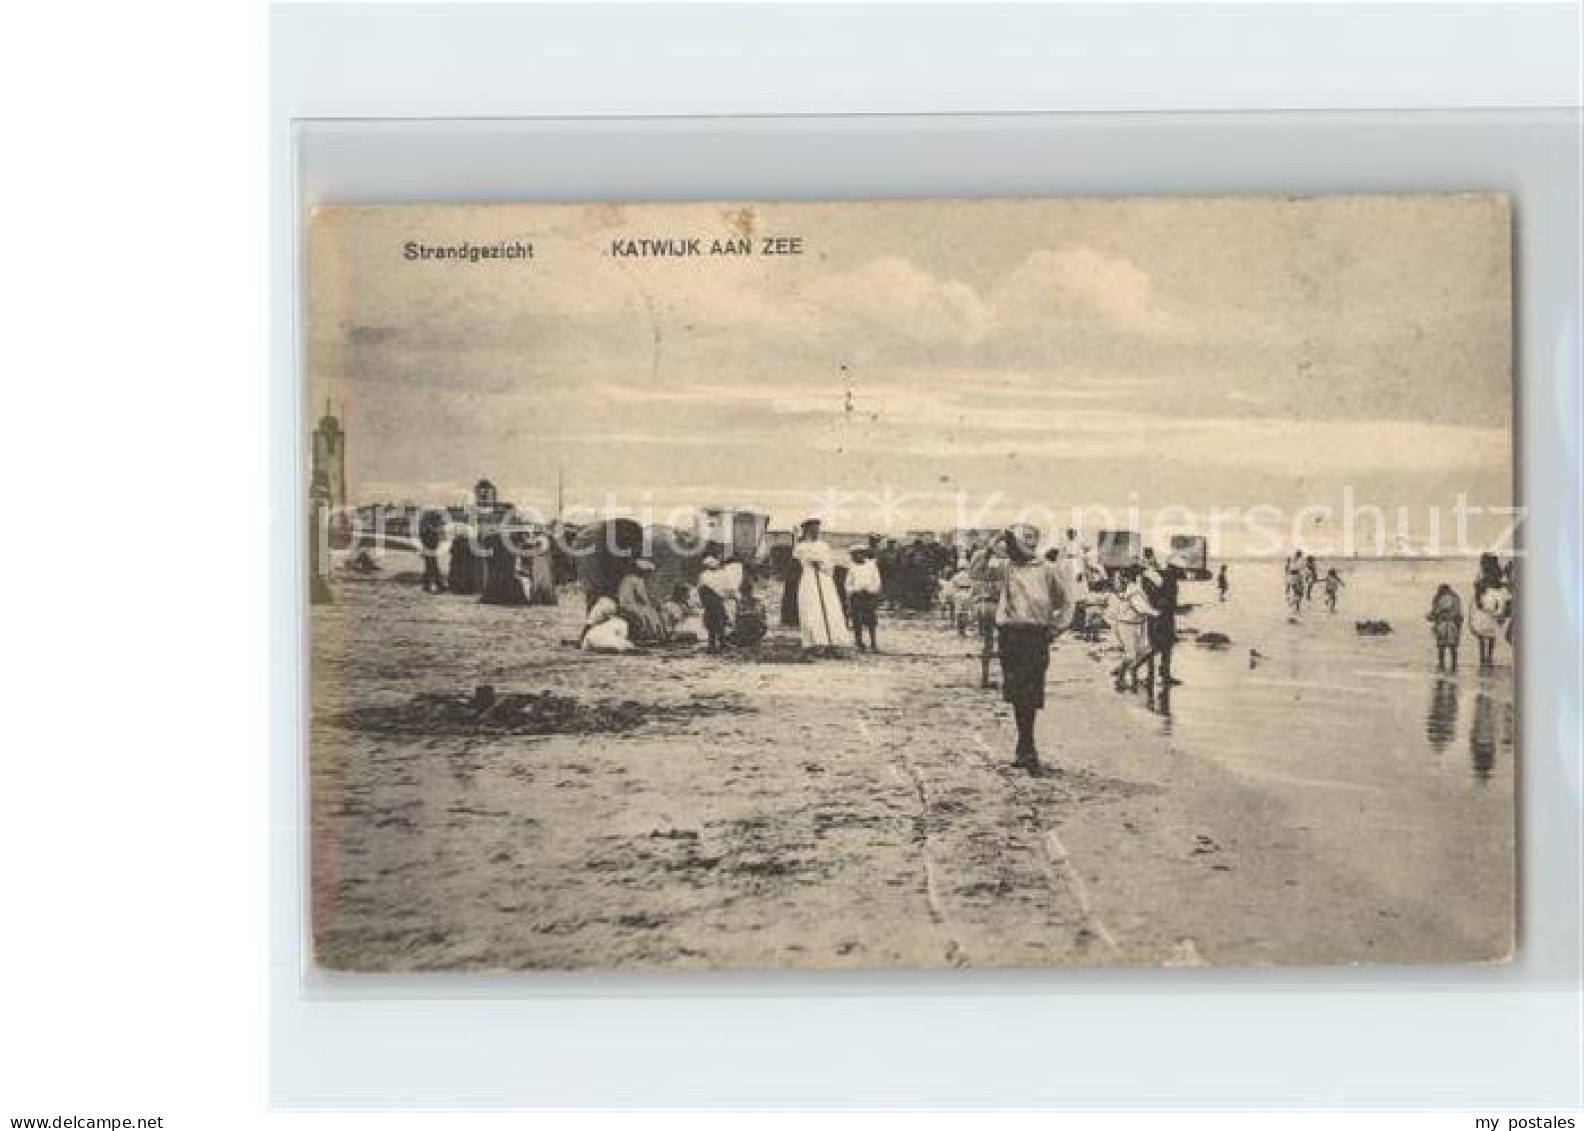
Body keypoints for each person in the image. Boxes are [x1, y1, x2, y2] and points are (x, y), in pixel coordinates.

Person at [993, 525, 1071, 772]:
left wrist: (1056, 629)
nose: (1012, 550)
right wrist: (990, 545)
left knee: (1032, 691)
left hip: (1036, 635)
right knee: (1016, 692)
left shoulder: (1047, 570)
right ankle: (1025, 745)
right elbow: (976, 571)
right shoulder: (1006, 568)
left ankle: (1027, 745)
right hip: (1010, 634)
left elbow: (1066, 602)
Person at [791, 518, 852, 654]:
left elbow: (830, 564)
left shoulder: (824, 546)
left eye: (817, 529)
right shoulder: (800, 547)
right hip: (809, 579)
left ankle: (832, 641)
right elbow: (799, 563)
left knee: (830, 608)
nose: (816, 532)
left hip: (824, 580)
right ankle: (816, 642)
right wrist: (810, 561)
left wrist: (823, 566)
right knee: (812, 609)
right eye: (813, 529)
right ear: (806, 530)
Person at [1107, 565, 1159, 691]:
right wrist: (1156, 613)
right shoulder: (1133, 590)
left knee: (1141, 651)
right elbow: (1141, 607)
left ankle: (1124, 674)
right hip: (1127, 624)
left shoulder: (1131, 588)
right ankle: (1121, 677)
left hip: (1134, 623)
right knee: (1133, 654)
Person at [968, 538, 1007, 689]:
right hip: (997, 606)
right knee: (1004, 643)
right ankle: (1006, 678)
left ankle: (984, 678)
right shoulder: (1003, 568)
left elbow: (973, 572)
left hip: (981, 605)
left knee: (987, 643)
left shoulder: (977, 574)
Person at [1140, 549, 1181, 686]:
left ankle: (1152, 675)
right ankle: (1160, 674)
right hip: (1162, 617)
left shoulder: (1160, 576)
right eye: (1180, 569)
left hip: (1160, 616)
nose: (1181, 572)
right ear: (1174, 568)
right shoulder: (1169, 579)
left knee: (1159, 646)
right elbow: (1163, 599)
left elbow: (1150, 593)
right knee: (1162, 647)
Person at [1469, 554, 1509, 667]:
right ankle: (1489, 657)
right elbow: (1502, 586)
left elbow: (1478, 590)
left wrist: (1478, 599)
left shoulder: (1483, 575)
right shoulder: (1498, 574)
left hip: (1485, 602)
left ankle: (1483, 658)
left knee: (1482, 634)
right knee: (1490, 634)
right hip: (1495, 603)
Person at [616, 558, 667, 642]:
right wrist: (653, 604)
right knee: (649, 612)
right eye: (648, 572)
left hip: (624, 603)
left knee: (648, 611)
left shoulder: (627, 578)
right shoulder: (638, 580)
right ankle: (652, 635)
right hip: (629, 604)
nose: (649, 575)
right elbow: (643, 597)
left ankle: (653, 635)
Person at [846, 544, 883, 652]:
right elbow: (848, 584)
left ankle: (873, 643)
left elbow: (877, 581)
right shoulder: (852, 568)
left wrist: (871, 590)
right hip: (857, 596)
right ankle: (859, 643)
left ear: (863, 554)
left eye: (859, 554)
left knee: (871, 620)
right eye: (853, 555)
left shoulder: (871, 566)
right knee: (857, 620)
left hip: (869, 596)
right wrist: (854, 590)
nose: (856, 557)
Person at [478, 531, 529, 606]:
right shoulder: (509, 539)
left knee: (499, 577)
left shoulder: (497, 538)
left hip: (502, 563)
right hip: (504, 562)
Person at [697, 555, 734, 652]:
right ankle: (718, 644)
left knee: (713, 624)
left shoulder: (706, 575)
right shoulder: (707, 575)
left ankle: (714, 644)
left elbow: (701, 590)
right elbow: (717, 589)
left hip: (711, 602)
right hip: (713, 601)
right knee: (718, 622)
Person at [1427, 583, 1464, 672]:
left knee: (1441, 647)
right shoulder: (1455, 598)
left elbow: (1435, 612)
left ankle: (1442, 665)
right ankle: (1454, 665)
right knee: (1453, 647)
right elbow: (1459, 615)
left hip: (1442, 625)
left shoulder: (1438, 598)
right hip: (1452, 625)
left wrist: (1432, 617)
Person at [418, 511, 448, 593]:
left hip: (430, 549)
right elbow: (428, 539)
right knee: (432, 567)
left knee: (430, 567)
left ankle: (429, 585)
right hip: (429, 549)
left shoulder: (428, 528)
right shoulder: (429, 529)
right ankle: (437, 585)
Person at [446, 531, 481, 595]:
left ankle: (459, 588)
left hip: (460, 563)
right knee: (463, 573)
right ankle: (464, 589)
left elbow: (452, 551)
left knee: (460, 573)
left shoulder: (458, 541)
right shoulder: (463, 541)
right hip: (462, 563)